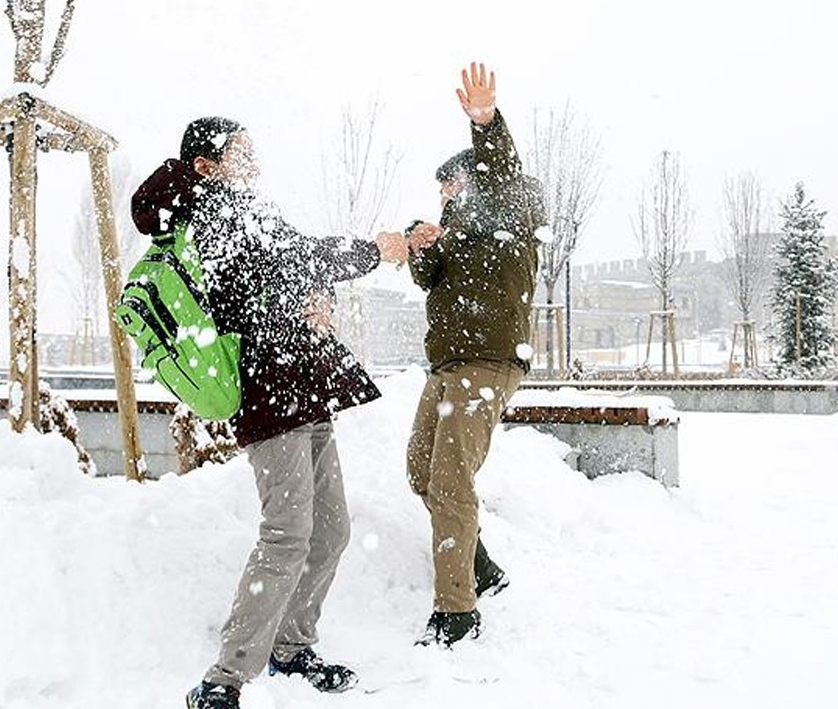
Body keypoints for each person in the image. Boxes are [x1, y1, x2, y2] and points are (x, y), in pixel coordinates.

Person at [130, 117, 409, 709]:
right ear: (206, 166)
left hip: (303, 385)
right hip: (268, 395)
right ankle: (224, 678)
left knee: (331, 529)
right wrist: (371, 252)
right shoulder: (208, 213)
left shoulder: (246, 208)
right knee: (287, 534)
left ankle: (292, 646)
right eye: (242, 153)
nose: (255, 163)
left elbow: (286, 273)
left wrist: (317, 298)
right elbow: (286, 264)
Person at [404, 62, 545, 647]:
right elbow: (427, 279)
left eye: (452, 187)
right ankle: (480, 565)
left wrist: (485, 122)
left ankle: (457, 612)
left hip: (488, 362)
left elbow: (501, 170)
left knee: (450, 480)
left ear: (476, 182)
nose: (445, 197)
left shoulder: (510, 209)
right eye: (441, 192)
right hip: (448, 364)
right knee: (421, 469)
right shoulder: (456, 234)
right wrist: (419, 244)